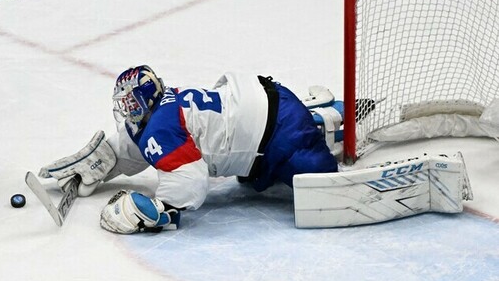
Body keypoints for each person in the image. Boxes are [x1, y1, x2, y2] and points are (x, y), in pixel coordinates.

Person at [39, 66, 342, 233]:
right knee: (281, 161)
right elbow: (136, 147)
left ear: (144, 102)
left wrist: (162, 209)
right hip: (263, 106)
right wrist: (103, 160)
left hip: (279, 131)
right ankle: (318, 115)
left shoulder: (159, 128)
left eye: (131, 104)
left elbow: (191, 179)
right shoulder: (161, 110)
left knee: (319, 180)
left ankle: (326, 118)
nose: (127, 111)